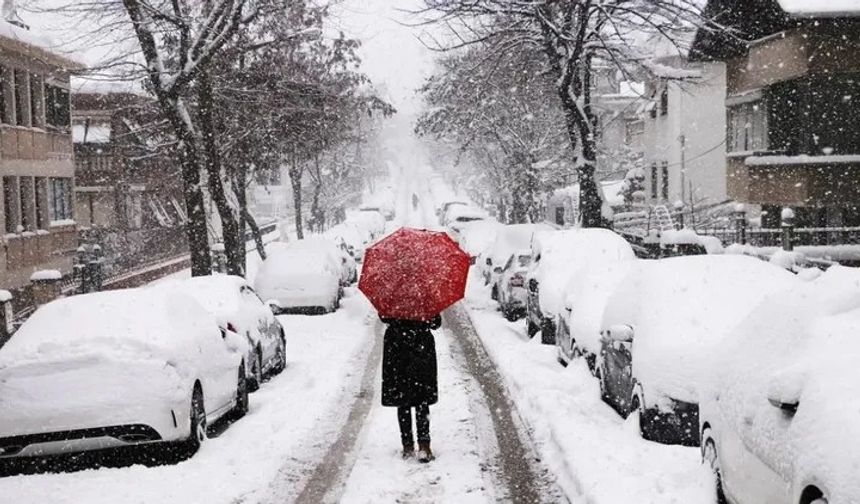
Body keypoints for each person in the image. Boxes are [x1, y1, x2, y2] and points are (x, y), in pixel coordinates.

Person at [380, 315, 442, 462]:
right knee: (421, 399)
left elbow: (384, 317)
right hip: (421, 348)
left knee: (403, 399)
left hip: (397, 348)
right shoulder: (426, 296)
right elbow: (436, 323)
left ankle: (407, 445)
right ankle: (424, 445)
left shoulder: (392, 295)